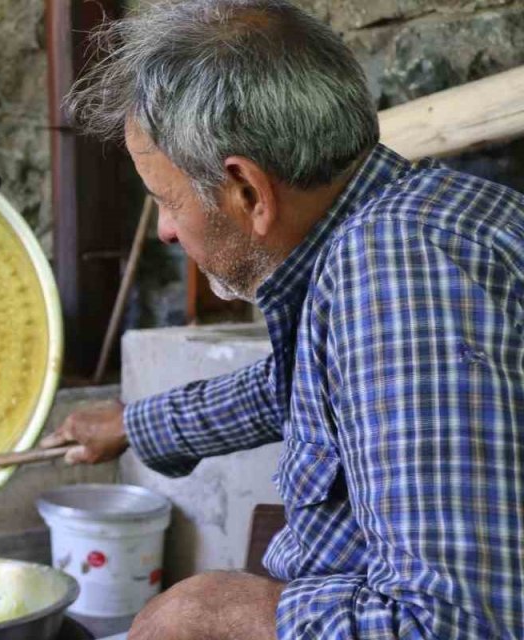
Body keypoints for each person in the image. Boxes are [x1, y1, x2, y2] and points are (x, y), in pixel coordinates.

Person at [40, 0, 524, 638]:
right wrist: (138, 424)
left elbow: (455, 625)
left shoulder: (394, 269)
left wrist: (217, 615)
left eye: (165, 200)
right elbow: (301, 385)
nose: (163, 230)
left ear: (247, 191)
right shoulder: (419, 216)